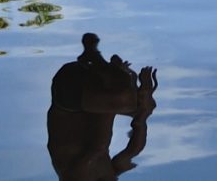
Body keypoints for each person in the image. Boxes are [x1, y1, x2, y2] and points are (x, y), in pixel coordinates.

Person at [47, 33, 159, 180]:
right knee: (139, 106)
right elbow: (133, 151)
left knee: (126, 101)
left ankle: (99, 62)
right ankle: (104, 68)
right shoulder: (109, 174)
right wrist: (143, 115)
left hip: (69, 95)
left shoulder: (75, 175)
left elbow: (98, 145)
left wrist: (123, 86)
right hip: (92, 96)